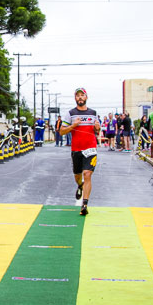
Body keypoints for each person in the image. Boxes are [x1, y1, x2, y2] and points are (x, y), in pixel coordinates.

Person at [58, 87, 101, 216]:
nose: (80, 97)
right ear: (75, 98)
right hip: (76, 149)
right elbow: (61, 131)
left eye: (82, 95)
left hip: (91, 148)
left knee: (87, 174)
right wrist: (73, 126)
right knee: (78, 176)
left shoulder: (93, 113)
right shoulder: (71, 113)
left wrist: (98, 129)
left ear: (86, 97)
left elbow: (97, 131)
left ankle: (85, 204)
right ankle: (80, 185)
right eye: (78, 95)